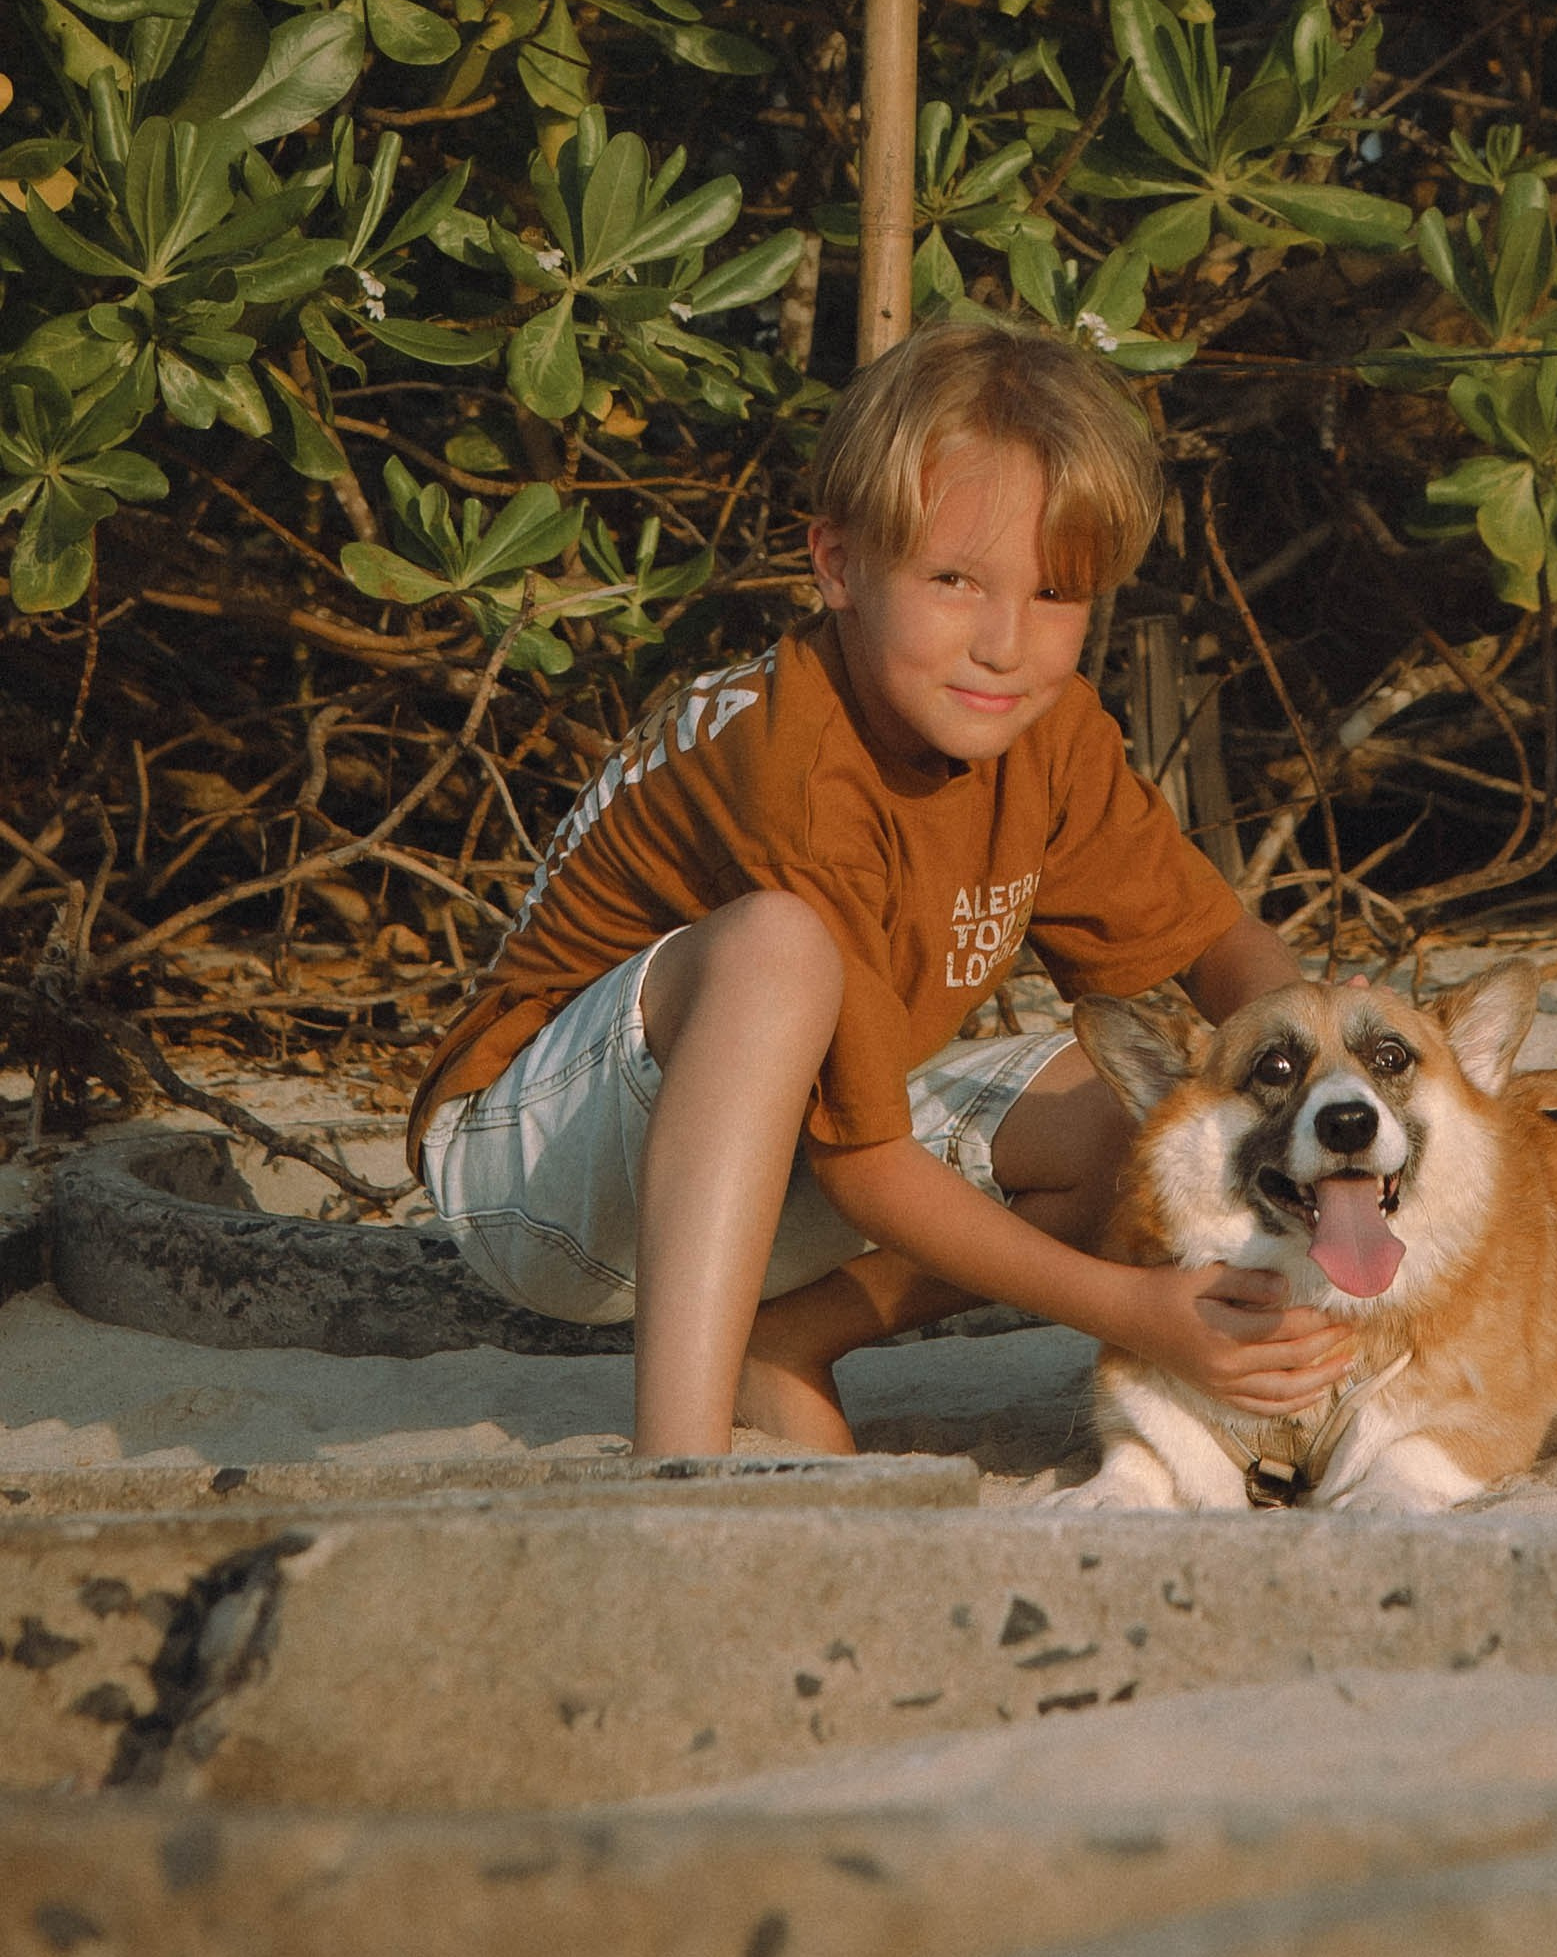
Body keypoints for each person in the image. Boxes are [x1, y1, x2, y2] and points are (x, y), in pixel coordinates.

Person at [408, 318, 1354, 1457]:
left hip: (764, 1152)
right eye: (953, 579)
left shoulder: (1046, 735)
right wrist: (1133, 1310)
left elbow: (1219, 950)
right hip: (543, 1173)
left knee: (1139, 1121)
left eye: (1055, 593)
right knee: (775, 949)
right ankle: (674, 1460)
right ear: (836, 563)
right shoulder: (792, 770)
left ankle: (783, 1339)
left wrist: (1336, 1085)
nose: (1004, 643)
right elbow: (864, 1168)